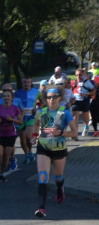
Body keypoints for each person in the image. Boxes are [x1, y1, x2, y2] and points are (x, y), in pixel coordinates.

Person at [33, 88, 74, 218]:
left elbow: (74, 132)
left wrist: (61, 133)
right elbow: (36, 126)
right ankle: (41, 208)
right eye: (49, 97)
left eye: (54, 97)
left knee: (58, 177)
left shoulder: (65, 113)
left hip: (59, 149)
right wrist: (34, 136)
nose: (52, 99)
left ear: (60, 98)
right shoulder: (41, 112)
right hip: (43, 148)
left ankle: (59, 188)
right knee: (43, 176)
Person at [0, 88, 22, 181]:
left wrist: (12, 119)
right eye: (4, 96)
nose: (6, 98)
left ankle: (2, 174)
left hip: (10, 134)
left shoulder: (15, 108)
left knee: (6, 155)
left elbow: (21, 122)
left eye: (8, 96)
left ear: (12, 98)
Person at [14, 76, 40, 165]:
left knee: (29, 136)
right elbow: (14, 104)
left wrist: (38, 108)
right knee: (22, 138)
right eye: (25, 82)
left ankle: (30, 151)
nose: (27, 84)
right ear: (22, 83)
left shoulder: (36, 91)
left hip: (31, 116)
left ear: (31, 83)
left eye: (28, 82)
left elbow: (43, 101)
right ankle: (27, 154)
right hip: (21, 117)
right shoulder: (17, 93)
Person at [69, 68, 95, 137]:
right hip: (76, 101)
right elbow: (70, 91)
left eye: (80, 75)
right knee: (75, 116)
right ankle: (75, 133)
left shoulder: (87, 82)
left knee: (85, 117)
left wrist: (86, 94)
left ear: (83, 75)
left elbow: (93, 91)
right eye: (77, 75)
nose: (78, 76)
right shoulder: (73, 82)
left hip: (85, 101)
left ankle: (86, 126)